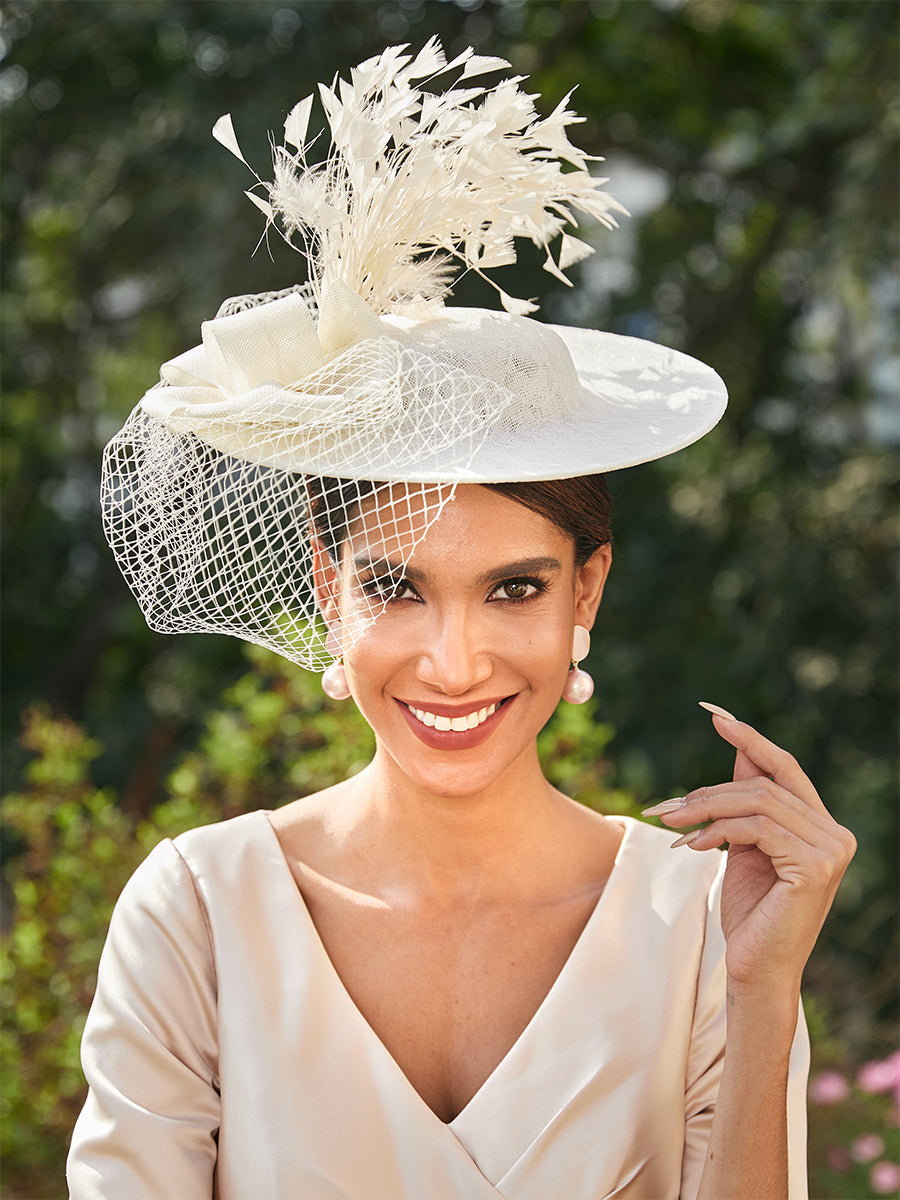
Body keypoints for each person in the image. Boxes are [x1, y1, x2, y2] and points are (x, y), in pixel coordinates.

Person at [67, 40, 855, 1200]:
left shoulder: (702, 923)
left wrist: (762, 990)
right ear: (326, 590)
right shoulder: (197, 912)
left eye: (515, 589)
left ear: (587, 591)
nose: (454, 660)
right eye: (395, 587)